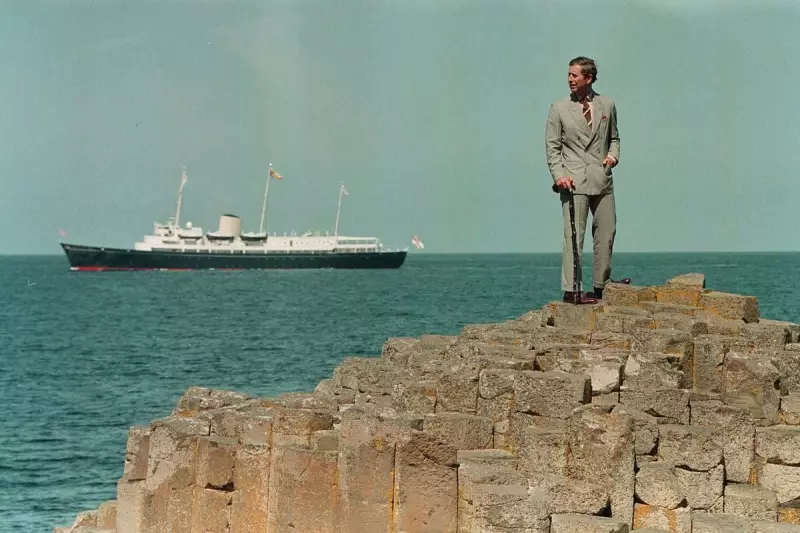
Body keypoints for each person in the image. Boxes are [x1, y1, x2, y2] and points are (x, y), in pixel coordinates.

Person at [545, 56, 630, 304]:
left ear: (588, 78)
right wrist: (559, 176)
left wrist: (613, 157)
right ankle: (572, 290)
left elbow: (614, 138)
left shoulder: (607, 104)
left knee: (607, 231)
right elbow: (552, 147)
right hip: (573, 182)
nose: (570, 79)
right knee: (574, 237)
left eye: (574, 75)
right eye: (569, 75)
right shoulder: (559, 108)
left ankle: (602, 285)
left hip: (602, 179)